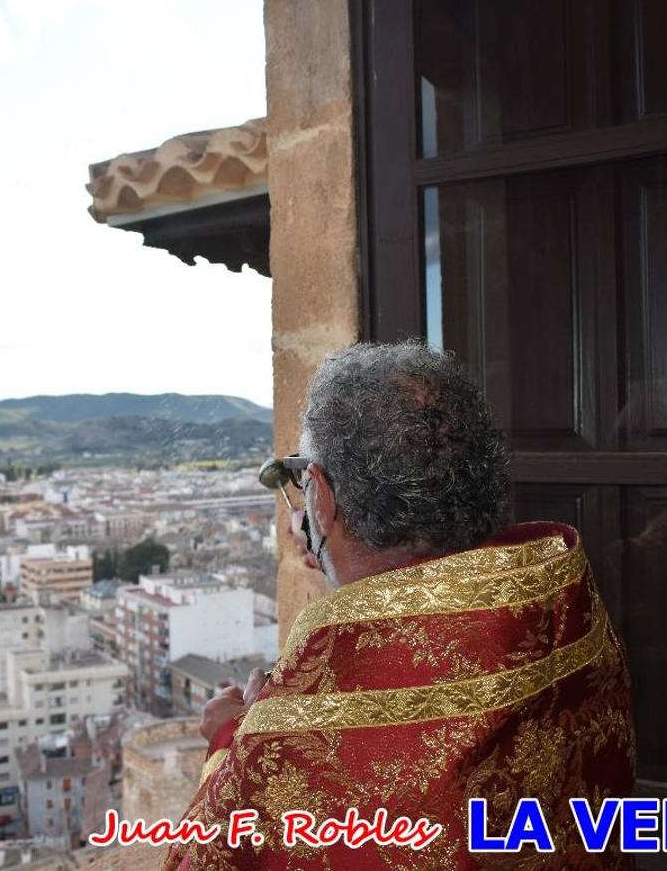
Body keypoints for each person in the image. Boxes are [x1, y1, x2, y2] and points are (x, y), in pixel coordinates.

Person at [164, 341, 636, 870]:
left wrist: (233, 742)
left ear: (319, 495)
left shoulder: (294, 738)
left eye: (300, 480)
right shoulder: (563, 603)